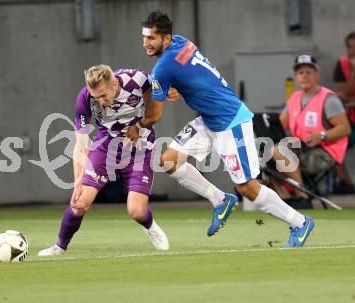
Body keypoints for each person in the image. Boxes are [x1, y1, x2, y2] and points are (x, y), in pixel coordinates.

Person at [126, 11, 314, 247]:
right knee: (169, 161)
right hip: (209, 119)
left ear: (166, 38)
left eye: (151, 38)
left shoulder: (163, 68)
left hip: (230, 120)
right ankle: (220, 200)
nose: (146, 43)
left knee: (247, 188)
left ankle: (300, 222)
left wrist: (138, 126)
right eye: (144, 37)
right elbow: (189, 75)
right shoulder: (181, 42)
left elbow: (154, 116)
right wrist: (175, 88)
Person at [38, 65, 169, 256]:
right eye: (96, 97)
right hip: (106, 146)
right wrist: (77, 183)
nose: (100, 101)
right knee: (80, 203)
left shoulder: (137, 80)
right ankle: (59, 246)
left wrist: (169, 93)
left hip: (139, 148)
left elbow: (158, 95)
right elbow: (81, 145)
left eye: (104, 95)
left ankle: (149, 226)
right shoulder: (85, 98)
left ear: (114, 83)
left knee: (136, 212)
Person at [272, 55, 351, 205]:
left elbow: (345, 128)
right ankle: (284, 200)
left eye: (309, 72)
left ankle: (302, 196)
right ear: (295, 77)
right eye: (301, 72)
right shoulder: (295, 98)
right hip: (303, 148)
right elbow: (280, 125)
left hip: (325, 152)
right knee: (267, 155)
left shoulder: (329, 98)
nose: (305, 75)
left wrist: (322, 135)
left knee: (279, 151)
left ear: (317, 75)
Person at [332, 31, 355, 194]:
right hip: (349, 117)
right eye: (350, 47)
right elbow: (341, 93)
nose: (352, 51)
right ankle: (345, 182)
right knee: (333, 142)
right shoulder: (343, 64)